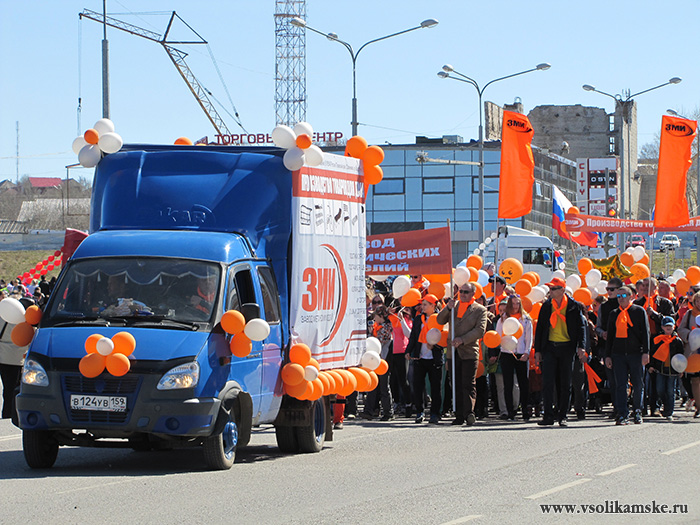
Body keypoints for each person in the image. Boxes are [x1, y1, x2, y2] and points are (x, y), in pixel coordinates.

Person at [534, 277, 587, 427]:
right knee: (548, 383)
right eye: (550, 288)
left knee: (565, 383)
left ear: (562, 290)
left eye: (553, 288)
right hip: (550, 347)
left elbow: (581, 327)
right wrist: (538, 350)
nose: (550, 291)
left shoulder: (573, 306)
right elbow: (540, 328)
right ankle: (548, 416)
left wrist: (581, 346)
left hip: (567, 348)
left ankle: (563, 415)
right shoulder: (546, 306)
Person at [437, 282, 487, 426]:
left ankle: (469, 413)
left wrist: (462, 340)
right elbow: (440, 320)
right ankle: (459, 415)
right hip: (453, 352)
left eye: (466, 292)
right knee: (455, 384)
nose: (463, 294)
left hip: (469, 351)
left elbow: (480, 330)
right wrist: (447, 308)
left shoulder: (480, 310)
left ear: (473, 294)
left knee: (468, 384)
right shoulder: (453, 306)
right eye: (461, 291)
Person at [605, 286, 650, 425]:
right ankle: (622, 413)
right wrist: (608, 355)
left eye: (624, 296)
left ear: (631, 297)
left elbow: (645, 333)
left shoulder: (638, 311)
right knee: (620, 385)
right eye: (618, 296)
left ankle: (637, 411)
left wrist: (646, 352)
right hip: (618, 354)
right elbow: (610, 336)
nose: (621, 299)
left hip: (635, 353)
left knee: (638, 384)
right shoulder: (614, 314)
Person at [406, 294, 445, 424]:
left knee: (435, 387)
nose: (422, 307)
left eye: (425, 304)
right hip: (420, 356)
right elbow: (413, 336)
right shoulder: (418, 319)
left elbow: (444, 336)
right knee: (418, 386)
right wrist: (408, 350)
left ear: (433, 306)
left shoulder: (440, 319)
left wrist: (435, 345)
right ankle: (420, 411)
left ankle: (435, 413)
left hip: (434, 357)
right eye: (422, 304)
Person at [496, 294, 533, 421]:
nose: (515, 306)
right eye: (513, 304)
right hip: (507, 353)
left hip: (521, 353)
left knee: (523, 383)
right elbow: (498, 335)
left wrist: (526, 353)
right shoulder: (503, 319)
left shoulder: (526, 319)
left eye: (518, 303)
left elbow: (528, 338)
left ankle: (525, 410)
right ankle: (510, 412)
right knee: (508, 383)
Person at [650, 316, 684, 421]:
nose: (668, 328)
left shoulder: (677, 341)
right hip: (660, 369)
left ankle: (669, 412)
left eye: (670, 326)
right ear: (662, 327)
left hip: (672, 370)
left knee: (670, 391)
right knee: (660, 389)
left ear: (674, 327)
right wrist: (651, 365)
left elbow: (681, 356)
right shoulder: (658, 339)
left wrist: (681, 369)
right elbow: (652, 354)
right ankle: (664, 404)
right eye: (666, 326)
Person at [364, 305, 394, 420]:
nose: (374, 318)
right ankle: (369, 410)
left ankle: (388, 412)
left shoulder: (386, 327)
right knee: (373, 386)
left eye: (375, 315)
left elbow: (379, 342)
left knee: (384, 387)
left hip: (383, 360)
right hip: (375, 359)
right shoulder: (377, 327)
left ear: (381, 316)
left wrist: (371, 334)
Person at [677, 290, 700, 418]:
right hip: (693, 351)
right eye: (697, 301)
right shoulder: (689, 314)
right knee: (695, 379)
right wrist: (691, 335)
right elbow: (681, 329)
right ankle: (698, 407)